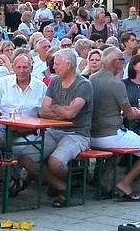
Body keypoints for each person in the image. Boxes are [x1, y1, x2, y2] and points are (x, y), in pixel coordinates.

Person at [87, 48, 140, 200]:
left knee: (119, 149)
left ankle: (103, 179)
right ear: (115, 62)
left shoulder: (92, 79)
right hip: (110, 135)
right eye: (122, 60)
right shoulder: (116, 83)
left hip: (91, 135)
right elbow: (130, 115)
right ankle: (125, 183)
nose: (124, 62)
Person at [24, 48, 92, 206]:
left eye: (57, 64)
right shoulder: (55, 81)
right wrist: (62, 111)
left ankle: (65, 184)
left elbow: (71, 113)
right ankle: (61, 185)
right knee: (25, 157)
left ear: (68, 64)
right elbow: (43, 111)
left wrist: (54, 108)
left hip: (77, 133)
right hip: (54, 130)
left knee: (55, 162)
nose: (53, 67)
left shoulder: (84, 85)